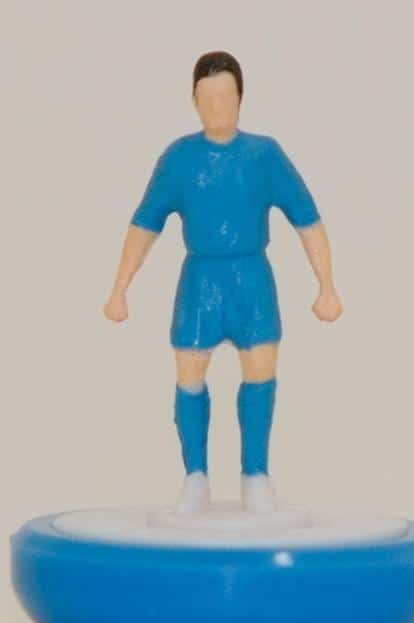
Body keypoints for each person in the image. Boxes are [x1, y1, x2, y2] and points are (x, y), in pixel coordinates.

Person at [103, 51, 343, 514]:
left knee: (261, 369)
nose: (216, 106)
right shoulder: (179, 158)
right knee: (189, 372)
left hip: (252, 278)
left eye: (225, 96)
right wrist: (120, 287)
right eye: (206, 97)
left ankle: (256, 473)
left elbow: (307, 218)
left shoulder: (264, 155)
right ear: (193, 100)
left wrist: (326, 284)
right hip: (201, 280)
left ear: (240, 99)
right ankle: (195, 475)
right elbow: (145, 223)